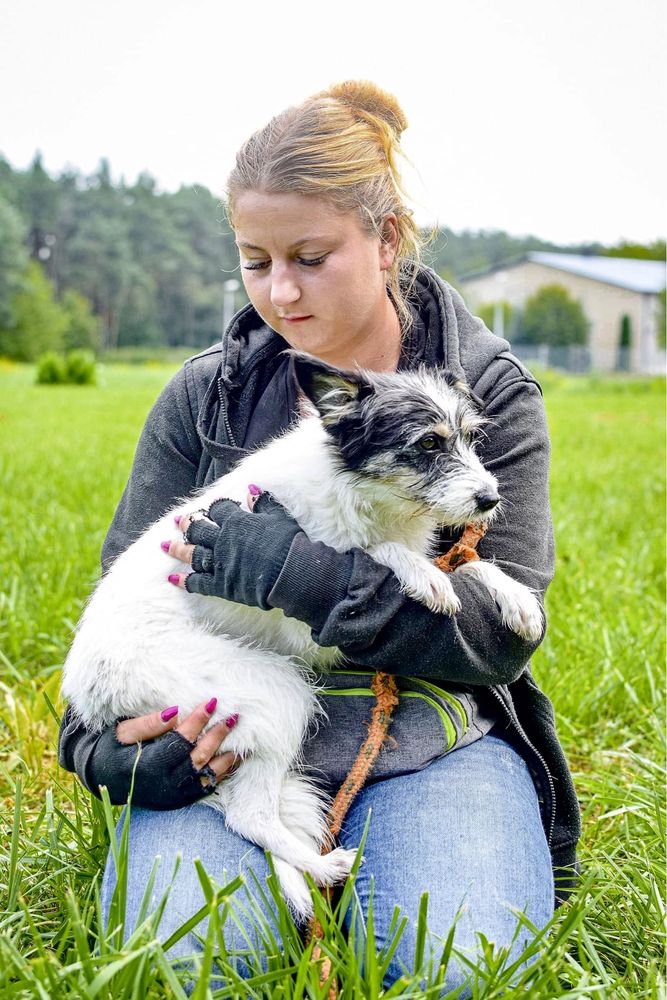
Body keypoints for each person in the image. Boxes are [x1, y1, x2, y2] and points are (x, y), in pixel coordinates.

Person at [58, 80, 580, 991]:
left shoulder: (487, 392)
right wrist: (101, 752)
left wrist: (304, 577)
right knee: (184, 968)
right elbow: (126, 600)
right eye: (255, 262)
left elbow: (499, 636)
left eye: (309, 255)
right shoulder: (203, 395)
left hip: (430, 733)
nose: (281, 291)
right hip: (221, 736)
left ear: (385, 239)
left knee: (461, 971)